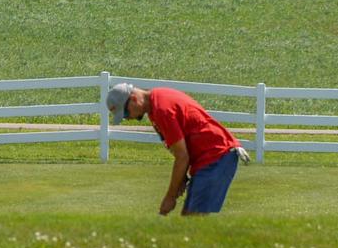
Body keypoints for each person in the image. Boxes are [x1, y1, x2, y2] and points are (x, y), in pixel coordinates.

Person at [104, 82, 249, 216]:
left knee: (193, 221)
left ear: (134, 99)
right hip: (210, 157)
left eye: (126, 113)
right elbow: (179, 148)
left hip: (216, 155)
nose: (128, 118)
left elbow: (182, 156)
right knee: (190, 219)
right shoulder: (156, 104)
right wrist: (181, 178)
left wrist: (170, 197)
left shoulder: (162, 110)